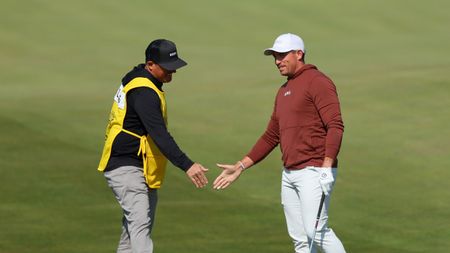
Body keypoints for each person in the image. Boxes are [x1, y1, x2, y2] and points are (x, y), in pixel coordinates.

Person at [213, 33, 346, 253]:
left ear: (299, 54)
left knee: (316, 231)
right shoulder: (283, 90)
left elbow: (335, 125)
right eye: (275, 56)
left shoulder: (318, 82)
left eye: (282, 55)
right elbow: (271, 135)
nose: (277, 61)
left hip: (314, 170)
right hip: (290, 173)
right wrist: (240, 166)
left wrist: (326, 166)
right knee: (301, 240)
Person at [98, 39, 208, 253]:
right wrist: (187, 165)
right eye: (167, 68)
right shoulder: (144, 92)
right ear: (150, 65)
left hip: (139, 166)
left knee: (132, 229)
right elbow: (159, 135)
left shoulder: (140, 79)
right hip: (126, 166)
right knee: (140, 225)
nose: (172, 73)